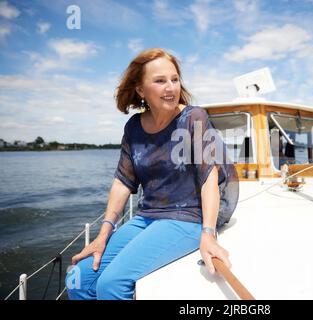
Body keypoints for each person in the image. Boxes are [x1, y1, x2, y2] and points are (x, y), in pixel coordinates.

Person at [65, 48, 239, 300]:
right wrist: (102, 236)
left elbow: (208, 177)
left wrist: (208, 234)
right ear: (140, 89)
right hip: (146, 217)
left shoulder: (193, 117)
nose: (170, 87)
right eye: (160, 81)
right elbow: (123, 182)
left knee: (111, 285)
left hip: (187, 217)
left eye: (174, 79)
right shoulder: (134, 126)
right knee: (78, 279)